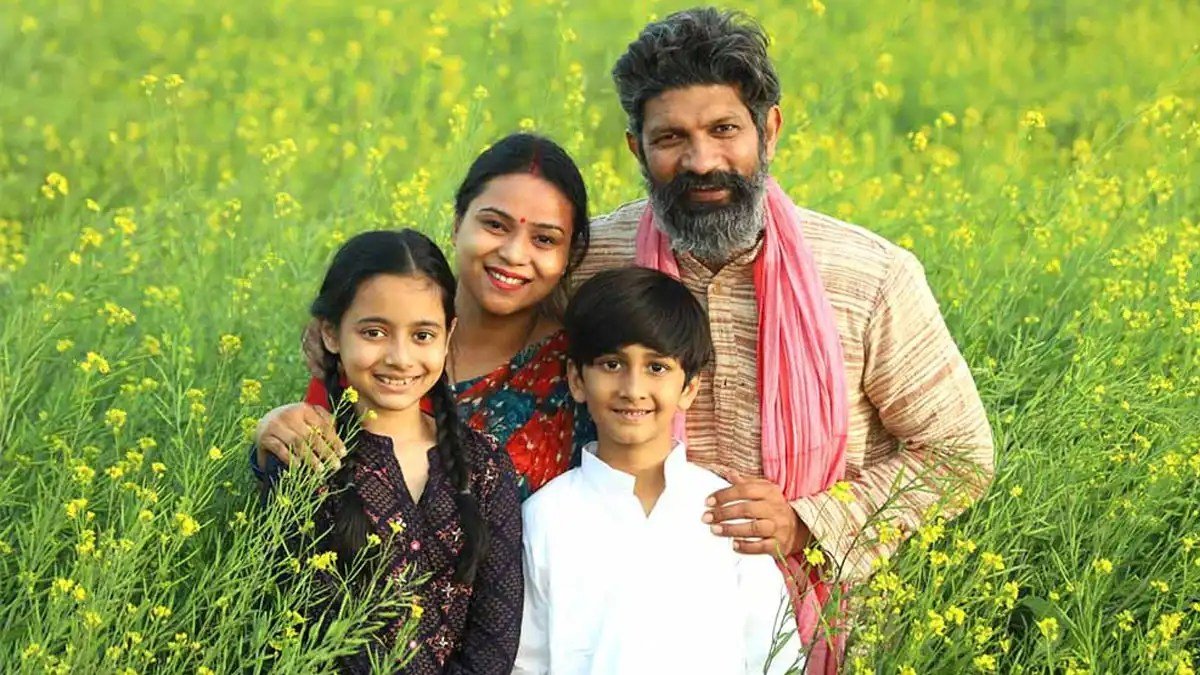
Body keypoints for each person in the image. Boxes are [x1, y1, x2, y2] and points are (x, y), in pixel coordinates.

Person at [569, 7, 995, 669]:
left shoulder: (869, 276)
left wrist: (808, 521)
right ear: (636, 149)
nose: (702, 161)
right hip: (620, 624)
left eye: (724, 130)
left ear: (769, 130)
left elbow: (958, 455)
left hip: (822, 628)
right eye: (671, 138)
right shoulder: (589, 262)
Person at [252, 133, 596, 498]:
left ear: (570, 256)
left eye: (544, 239)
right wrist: (272, 436)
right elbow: (307, 487)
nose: (513, 254)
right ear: (457, 224)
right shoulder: (373, 337)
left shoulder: (581, 372)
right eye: (495, 225)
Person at [514, 268, 802, 675]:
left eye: (657, 368)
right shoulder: (544, 517)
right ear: (577, 380)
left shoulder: (727, 513)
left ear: (689, 388)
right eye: (612, 364)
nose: (633, 389)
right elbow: (525, 664)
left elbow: (777, 659)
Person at [265, 229, 522, 673]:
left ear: (448, 334)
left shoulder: (484, 465)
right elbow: (310, 627)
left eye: (422, 335)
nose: (400, 358)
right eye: (374, 332)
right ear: (331, 333)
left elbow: (495, 638)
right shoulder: (306, 458)